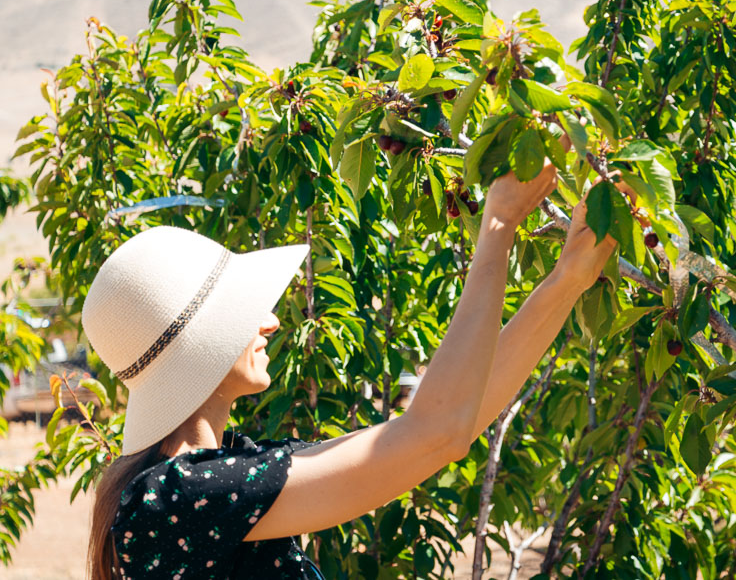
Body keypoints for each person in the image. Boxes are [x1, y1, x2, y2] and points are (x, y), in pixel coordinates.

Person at [82, 162, 617, 579]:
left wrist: (567, 281)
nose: (268, 323)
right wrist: (497, 228)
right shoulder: (182, 495)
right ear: (200, 345)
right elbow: (436, 434)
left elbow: (454, 419)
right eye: (242, 313)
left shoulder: (222, 474)